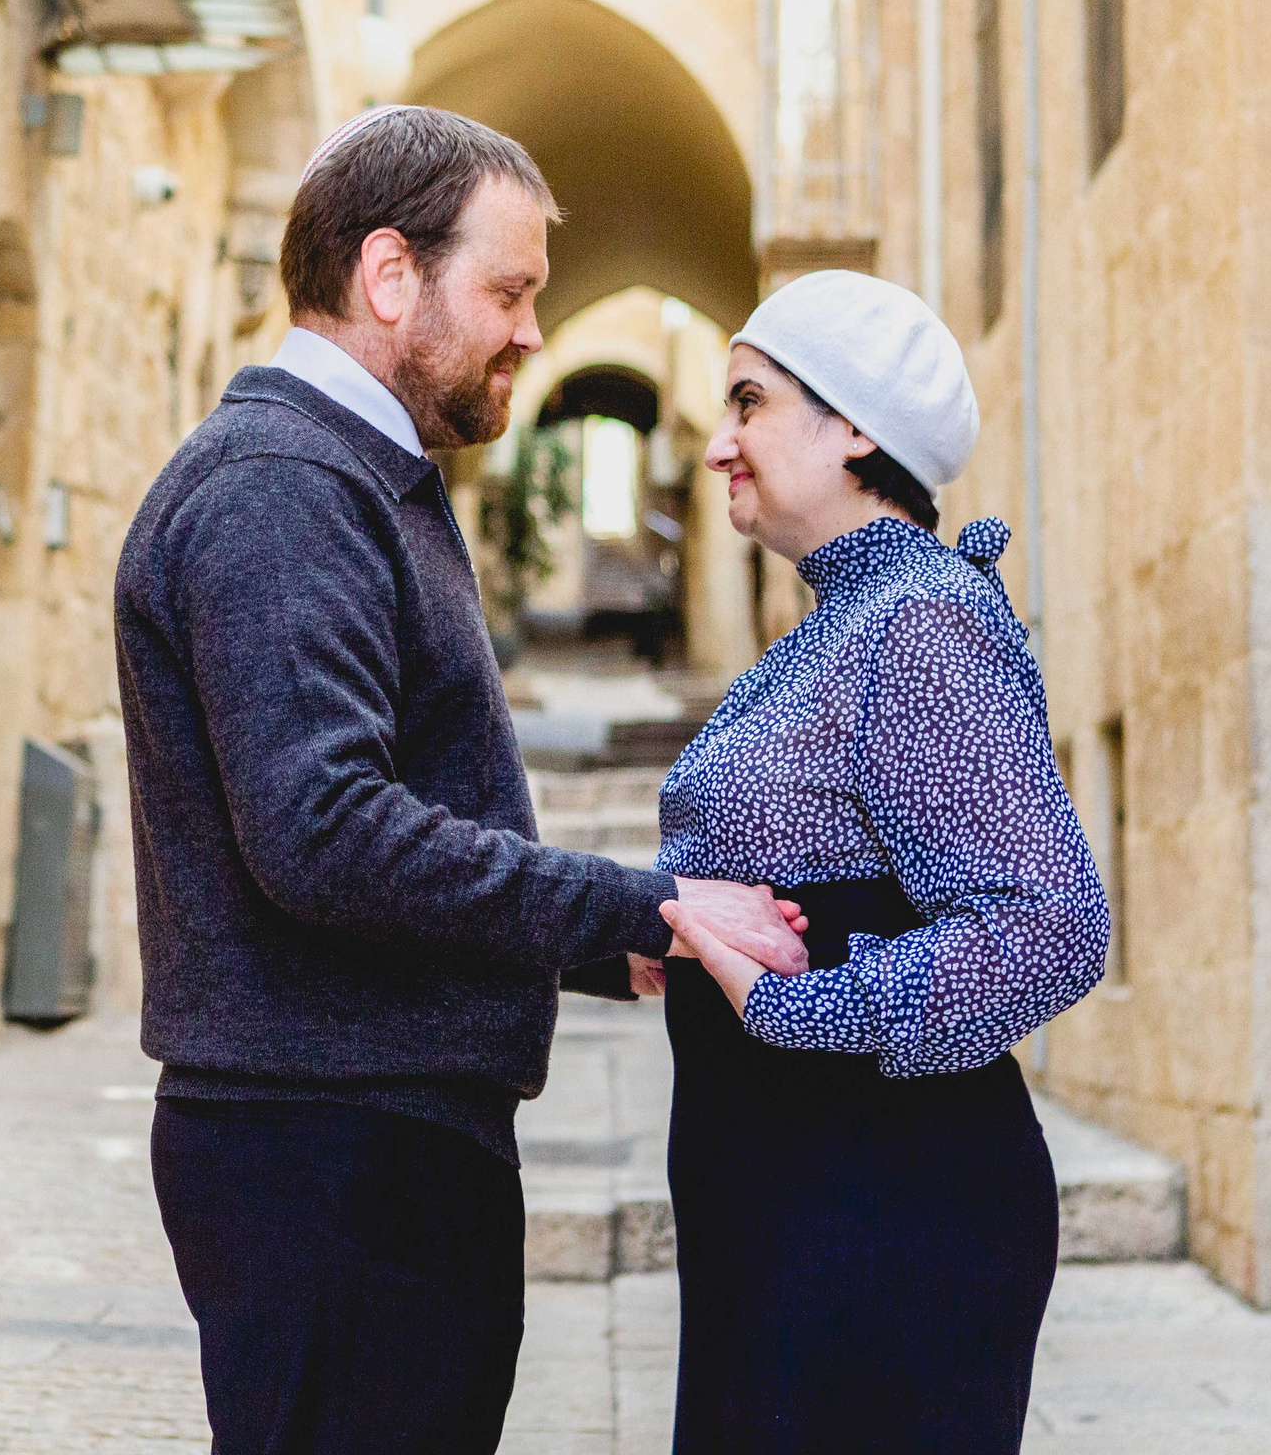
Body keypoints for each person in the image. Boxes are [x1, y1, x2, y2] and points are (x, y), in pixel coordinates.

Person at [113, 105, 810, 1455]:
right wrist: (636, 907)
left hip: (361, 1139)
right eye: (508, 291)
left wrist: (608, 954)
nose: (533, 332)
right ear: (389, 277)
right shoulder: (283, 490)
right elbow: (322, 833)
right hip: (333, 1153)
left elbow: (390, 814)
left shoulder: (347, 480)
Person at [652, 269, 1112, 1455]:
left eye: (747, 403)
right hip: (795, 1206)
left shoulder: (916, 620)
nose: (717, 448)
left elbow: (1048, 921)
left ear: (853, 425)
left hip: (883, 1214)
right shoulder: (847, 620)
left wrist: (799, 1008)